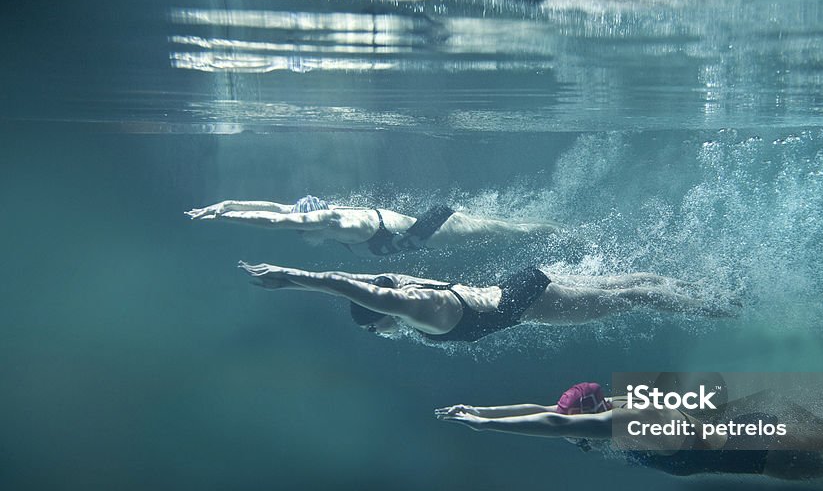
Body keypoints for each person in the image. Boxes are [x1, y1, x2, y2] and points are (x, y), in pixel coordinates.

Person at [435, 381, 823, 481]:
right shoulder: (621, 415)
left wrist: (487, 424)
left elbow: (558, 421)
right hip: (770, 438)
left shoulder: (624, 428)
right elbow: (556, 415)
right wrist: (482, 417)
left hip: (773, 448)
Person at [239, 263, 740, 341]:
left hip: (527, 302)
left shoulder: (412, 310)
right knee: (625, 284)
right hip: (518, 286)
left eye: (374, 327)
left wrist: (290, 278)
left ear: (382, 314)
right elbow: (370, 277)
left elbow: (354, 286)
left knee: (635, 298)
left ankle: (726, 306)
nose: (380, 334)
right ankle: (709, 289)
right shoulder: (414, 288)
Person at [187, 195, 557, 256]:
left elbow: (273, 221)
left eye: (301, 229)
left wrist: (227, 217)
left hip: (438, 232)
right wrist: (226, 203)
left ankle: (555, 231)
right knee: (502, 232)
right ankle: (551, 229)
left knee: (506, 232)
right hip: (426, 236)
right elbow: (275, 209)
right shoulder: (324, 219)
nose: (300, 235)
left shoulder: (333, 221)